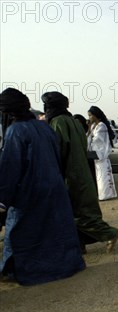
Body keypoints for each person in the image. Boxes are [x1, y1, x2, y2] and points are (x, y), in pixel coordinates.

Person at [0, 88, 85, 285]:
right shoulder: (45, 127)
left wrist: (3, 199)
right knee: (55, 231)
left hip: (30, 192)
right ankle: (64, 267)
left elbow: (10, 168)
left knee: (18, 232)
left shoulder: (16, 132)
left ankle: (13, 271)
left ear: (8, 111)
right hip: (54, 188)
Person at [42, 92, 118, 254]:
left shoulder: (58, 122)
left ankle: (109, 233)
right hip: (81, 169)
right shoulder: (74, 121)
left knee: (76, 212)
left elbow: (59, 150)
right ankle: (79, 244)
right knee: (79, 208)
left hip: (70, 173)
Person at [87, 106, 118, 200]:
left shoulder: (101, 126)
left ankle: (106, 195)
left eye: (90, 115)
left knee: (104, 176)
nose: (89, 118)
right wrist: (89, 130)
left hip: (101, 154)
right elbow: (88, 137)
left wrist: (91, 136)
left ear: (95, 115)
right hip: (96, 154)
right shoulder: (93, 126)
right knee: (99, 176)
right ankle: (102, 195)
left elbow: (98, 140)